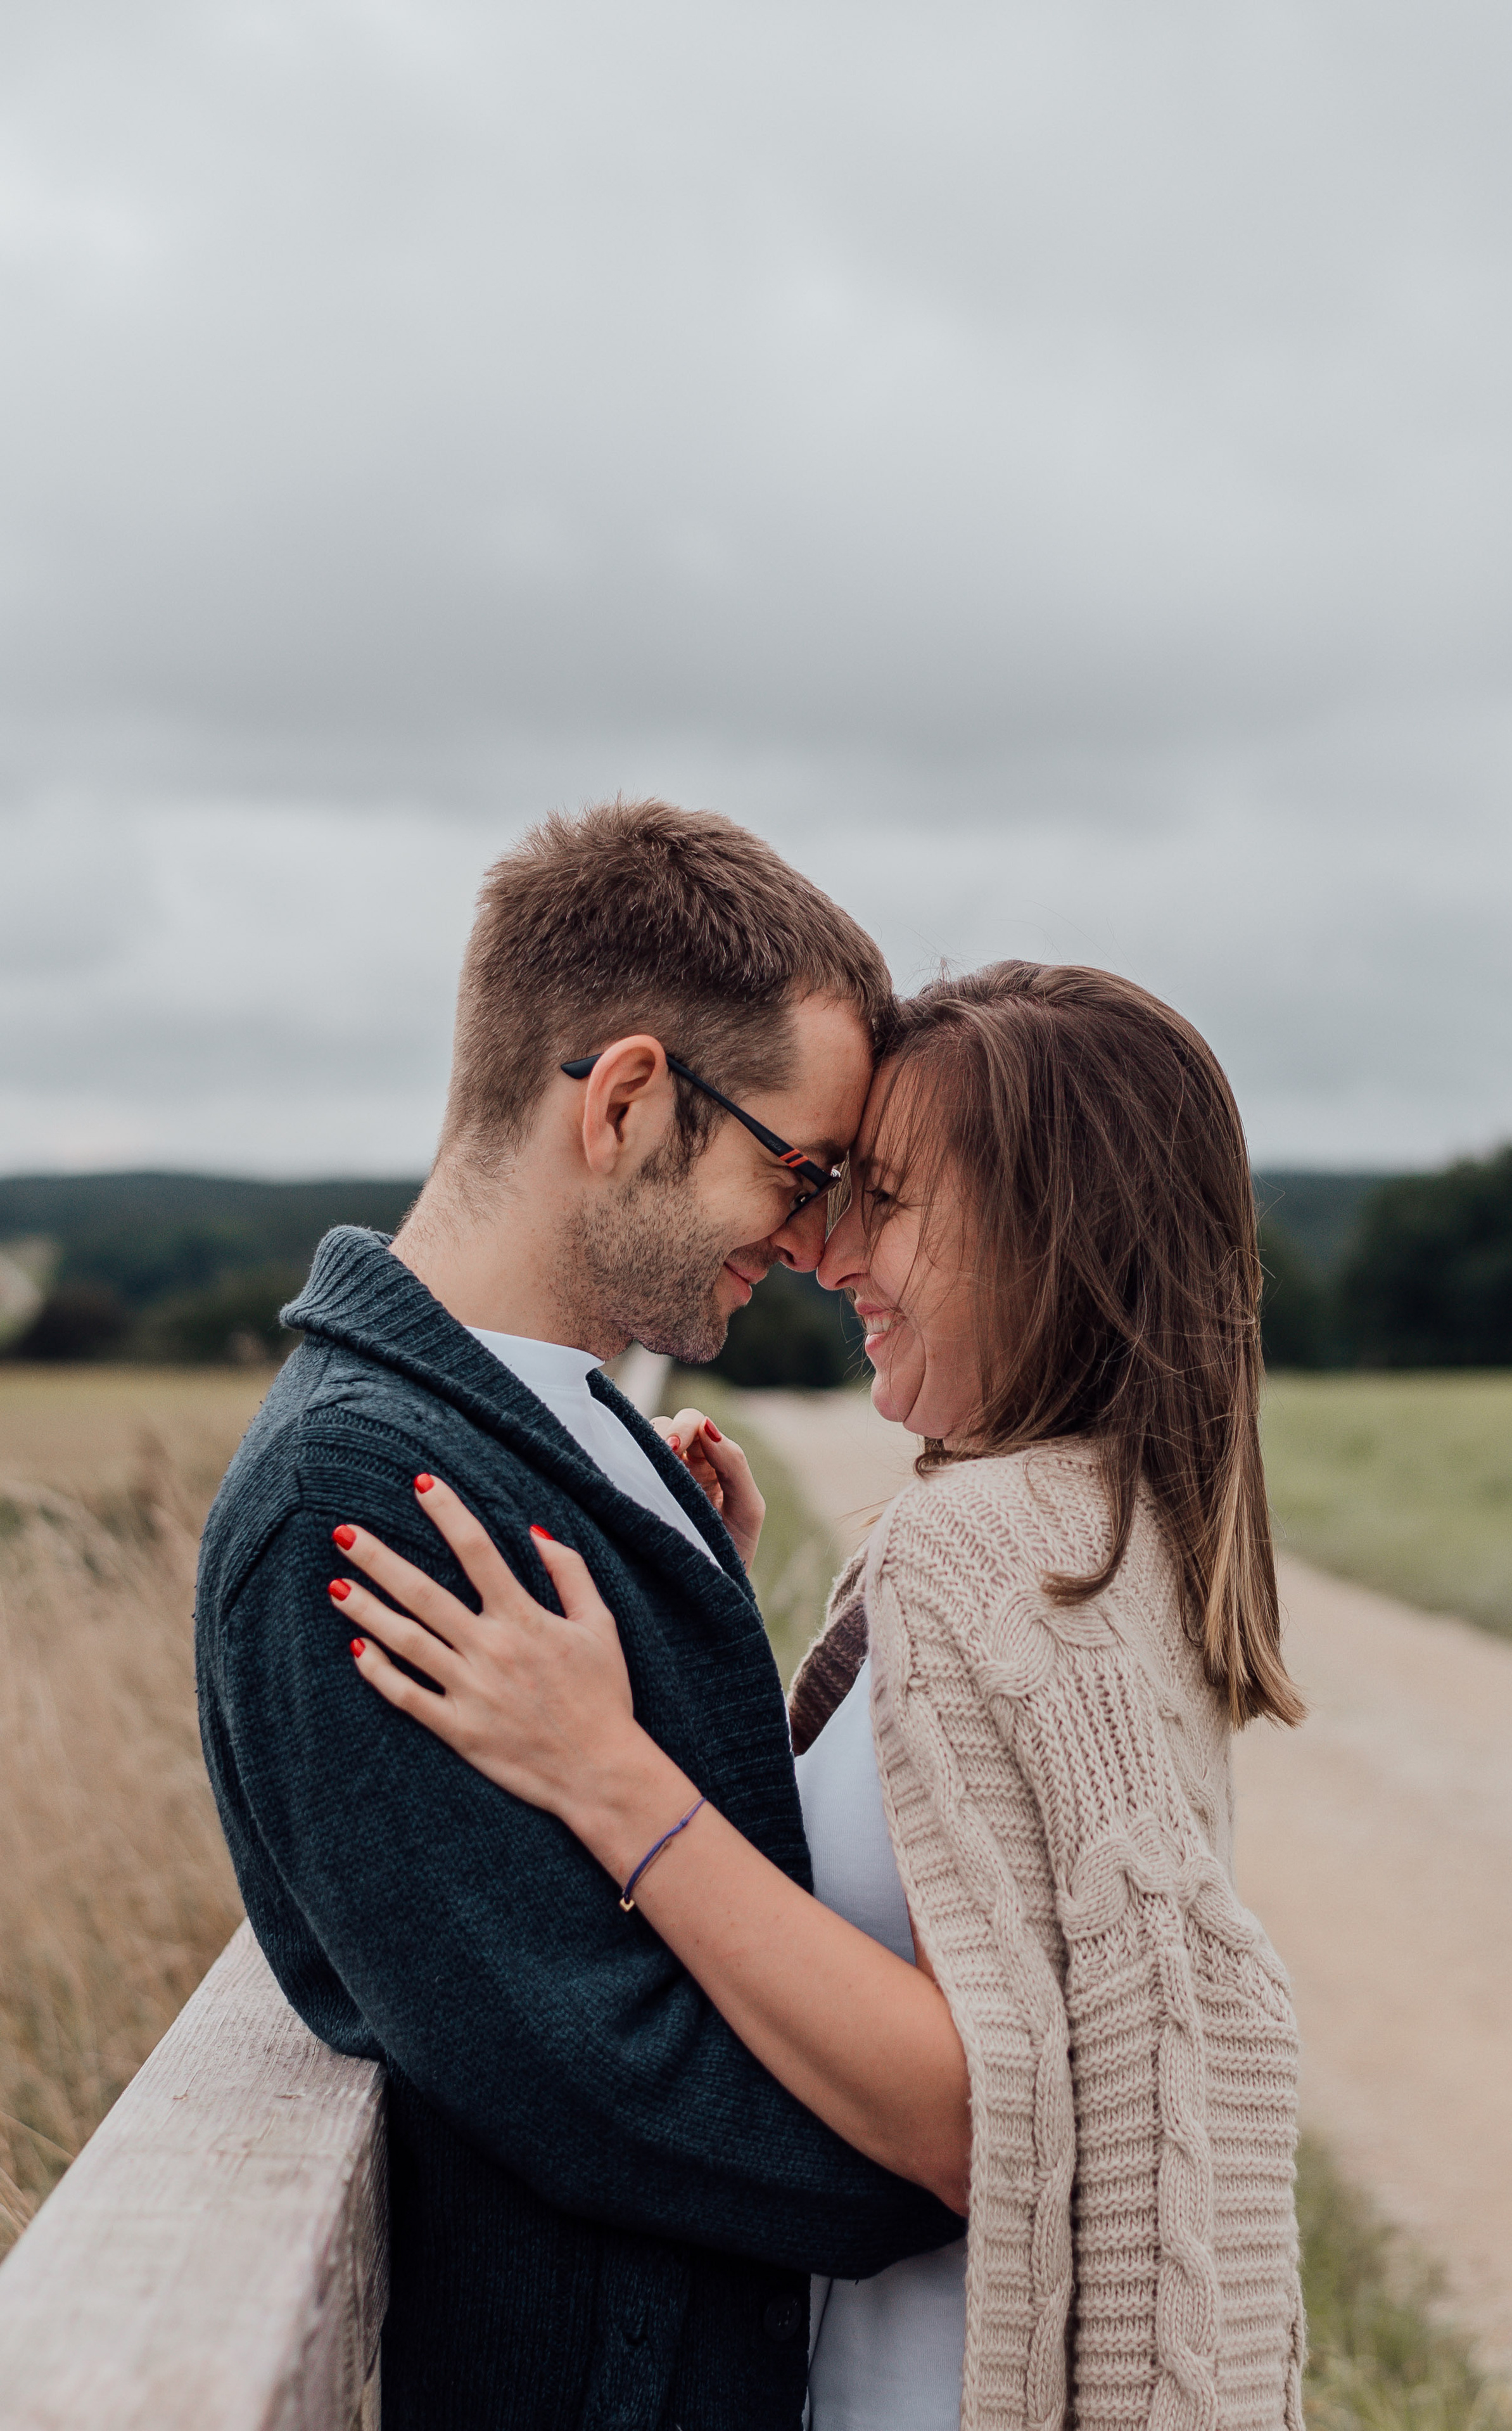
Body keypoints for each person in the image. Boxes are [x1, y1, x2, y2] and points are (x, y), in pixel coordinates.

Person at [334, 959, 1311, 2431]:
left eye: (885, 1199)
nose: (826, 1249)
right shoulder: (1108, 1526)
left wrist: (606, 1768)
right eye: (825, 1189)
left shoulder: (984, 1545)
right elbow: (946, 1898)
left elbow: (975, 2113)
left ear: (1048, 1237)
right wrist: (703, 1622)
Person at [194, 800, 963, 2431]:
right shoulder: (353, 1490)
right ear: (623, 1101)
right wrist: (973, 2154)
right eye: (796, 1167)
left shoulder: (563, 1419)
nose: (813, 1239)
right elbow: (592, 2061)